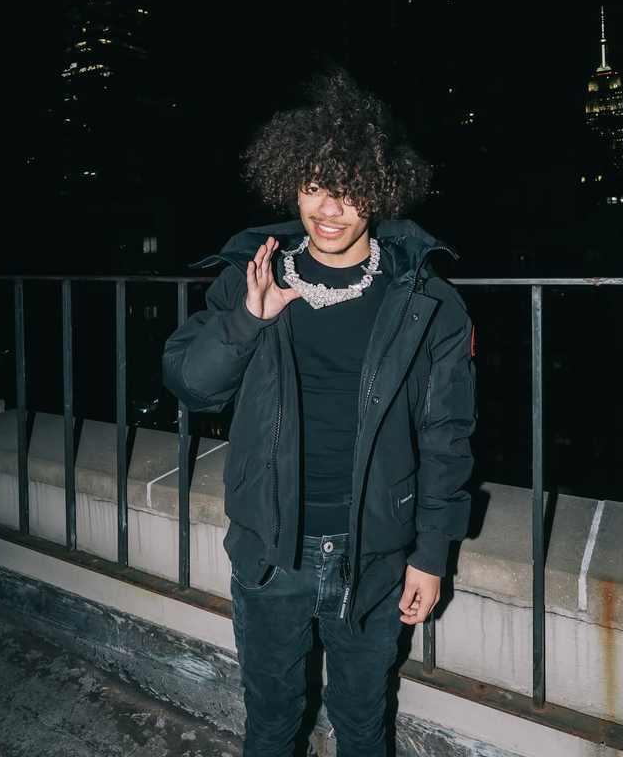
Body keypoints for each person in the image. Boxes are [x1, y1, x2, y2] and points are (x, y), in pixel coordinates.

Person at [162, 69, 476, 756]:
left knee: (363, 722)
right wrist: (247, 320)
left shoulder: (424, 300)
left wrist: (431, 554)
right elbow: (191, 385)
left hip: (375, 551)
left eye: (350, 189)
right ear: (290, 184)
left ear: (381, 193)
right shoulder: (252, 276)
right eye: (314, 185)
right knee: (272, 721)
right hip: (272, 549)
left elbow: (446, 436)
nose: (330, 208)